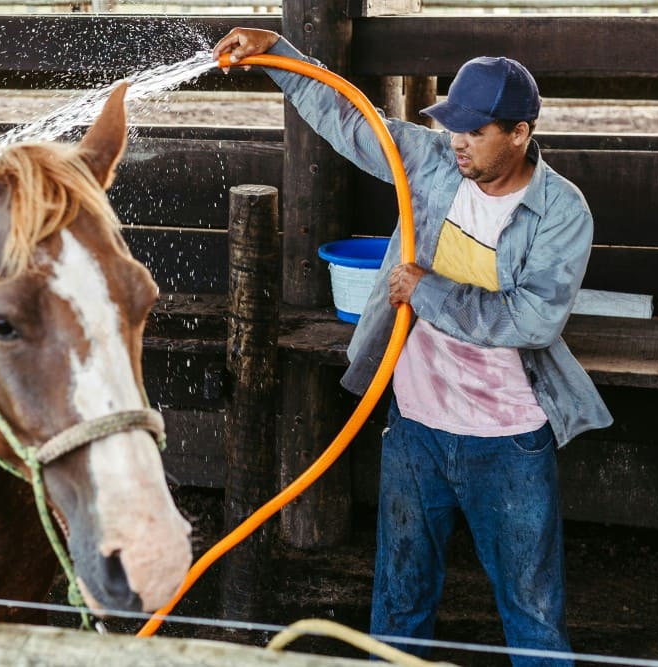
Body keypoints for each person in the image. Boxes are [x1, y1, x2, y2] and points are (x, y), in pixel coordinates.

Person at [213, 28, 613, 667]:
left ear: (519, 132)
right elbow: (348, 117)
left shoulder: (562, 212)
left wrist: (425, 292)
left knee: (534, 617)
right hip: (416, 428)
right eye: (454, 124)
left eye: (476, 131)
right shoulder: (430, 159)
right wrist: (278, 53)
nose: (457, 140)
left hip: (509, 437)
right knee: (398, 606)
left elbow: (532, 322)